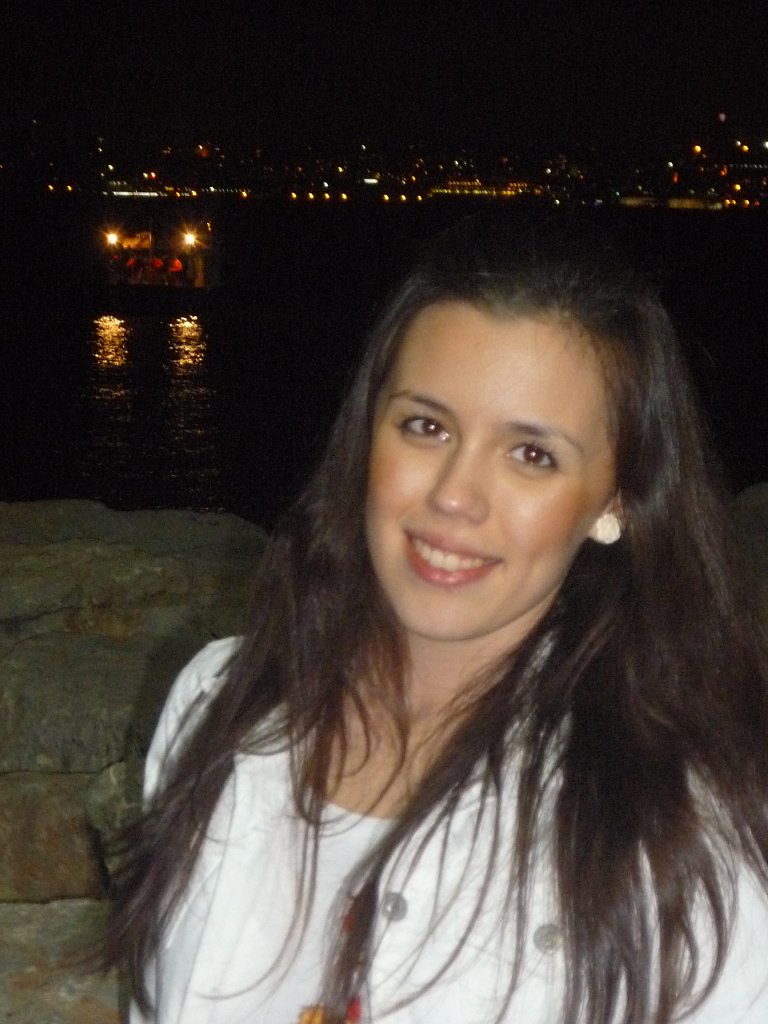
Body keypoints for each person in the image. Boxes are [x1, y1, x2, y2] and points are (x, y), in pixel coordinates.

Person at [103, 212, 768, 1023]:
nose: (454, 495)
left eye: (532, 455)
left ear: (617, 501)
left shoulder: (682, 826)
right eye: (427, 426)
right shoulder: (217, 705)